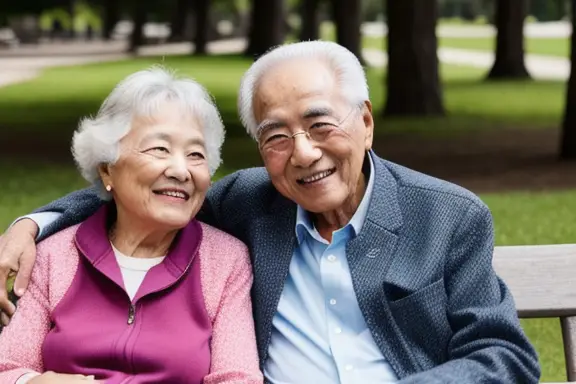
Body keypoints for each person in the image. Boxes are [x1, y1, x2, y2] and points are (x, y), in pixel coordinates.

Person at [0, 41, 539, 383]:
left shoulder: (448, 217)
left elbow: (504, 357)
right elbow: (137, 196)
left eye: (320, 124)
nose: (303, 153)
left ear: (366, 122)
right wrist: (33, 225)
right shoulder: (250, 202)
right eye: (276, 135)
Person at [0, 67, 262, 384]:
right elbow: (7, 366)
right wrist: (32, 382)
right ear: (108, 170)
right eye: (159, 149)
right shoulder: (53, 256)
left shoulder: (226, 260)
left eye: (195, 154)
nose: (181, 170)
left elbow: (237, 378)